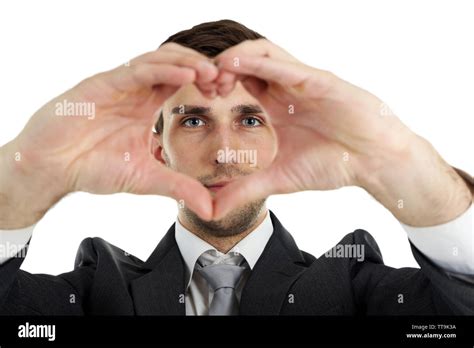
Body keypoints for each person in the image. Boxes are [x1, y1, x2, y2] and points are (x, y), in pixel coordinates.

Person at [0, 19, 472, 315]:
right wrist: (24, 179)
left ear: (278, 141)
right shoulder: (90, 294)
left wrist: (397, 161)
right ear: (158, 147)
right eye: (192, 120)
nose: (225, 152)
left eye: (249, 119)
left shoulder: (358, 287)